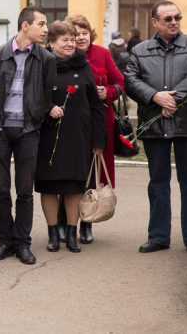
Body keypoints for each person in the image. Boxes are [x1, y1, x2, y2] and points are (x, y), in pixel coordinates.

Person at [125, 0, 187, 257]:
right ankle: (158, 236)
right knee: (158, 182)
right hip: (155, 123)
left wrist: (172, 100)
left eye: (177, 17)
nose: (174, 22)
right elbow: (131, 80)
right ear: (155, 22)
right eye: (168, 19)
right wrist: (154, 97)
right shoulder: (140, 50)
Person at [0, 6, 56, 265]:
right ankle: (5, 241)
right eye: (41, 24)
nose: (46, 29)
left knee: (24, 190)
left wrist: (35, 118)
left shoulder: (46, 59)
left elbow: (47, 96)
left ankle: (23, 243)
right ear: (25, 26)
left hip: (29, 131)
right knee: (0, 189)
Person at [35, 21, 107, 253]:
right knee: (49, 186)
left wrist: (98, 139)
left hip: (79, 136)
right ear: (51, 42)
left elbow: (95, 105)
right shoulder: (41, 65)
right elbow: (32, 98)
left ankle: (71, 233)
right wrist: (48, 109)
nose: (70, 44)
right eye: (64, 40)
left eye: (72, 39)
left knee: (75, 186)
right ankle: (52, 233)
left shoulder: (83, 65)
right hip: (48, 135)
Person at [62, 14, 124, 244]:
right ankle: (63, 222)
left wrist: (108, 92)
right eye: (75, 34)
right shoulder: (62, 55)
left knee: (92, 174)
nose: (80, 38)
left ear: (90, 34)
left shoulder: (102, 54)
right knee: (67, 173)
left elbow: (121, 82)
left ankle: (87, 223)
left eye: (84, 33)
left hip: (99, 123)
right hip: (70, 124)